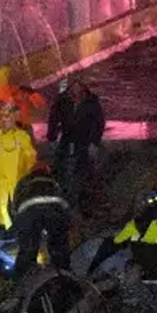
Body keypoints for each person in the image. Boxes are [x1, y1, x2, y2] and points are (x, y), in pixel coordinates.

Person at [47, 77, 106, 212]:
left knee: (85, 170)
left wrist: (94, 142)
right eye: (73, 87)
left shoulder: (91, 102)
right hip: (67, 139)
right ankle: (64, 199)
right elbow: (53, 119)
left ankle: (85, 201)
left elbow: (99, 123)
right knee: (62, 168)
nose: (76, 90)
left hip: (84, 140)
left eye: (78, 87)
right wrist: (52, 137)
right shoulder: (62, 101)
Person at [0, 102, 37, 232]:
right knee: (2, 206)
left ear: (13, 118)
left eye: (8, 117)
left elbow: (31, 156)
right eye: (1, 117)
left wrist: (30, 173)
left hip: (20, 179)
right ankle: (6, 230)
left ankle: (21, 230)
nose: (5, 121)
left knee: (19, 205)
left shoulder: (22, 137)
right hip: (2, 180)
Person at [10, 162, 71, 277]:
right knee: (58, 245)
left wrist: (18, 223)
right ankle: (64, 275)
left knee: (28, 247)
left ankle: (22, 279)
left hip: (29, 210)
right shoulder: (54, 179)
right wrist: (65, 222)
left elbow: (14, 203)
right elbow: (67, 200)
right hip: (54, 209)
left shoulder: (24, 180)